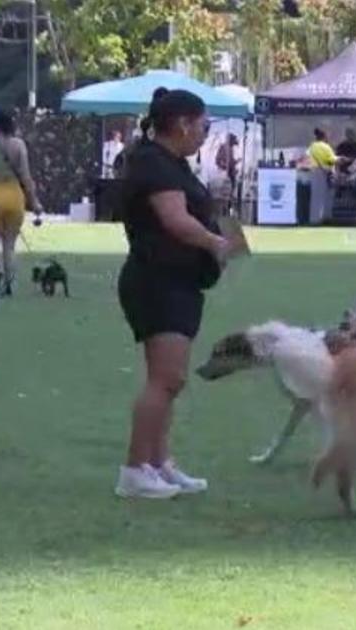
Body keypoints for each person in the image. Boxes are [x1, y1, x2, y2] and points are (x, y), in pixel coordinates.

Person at [115, 89, 243, 499]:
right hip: (158, 281)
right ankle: (135, 470)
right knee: (165, 379)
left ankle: (159, 464)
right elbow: (174, 220)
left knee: (171, 380)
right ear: (184, 123)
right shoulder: (155, 162)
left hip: (180, 282)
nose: (206, 134)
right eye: (205, 125)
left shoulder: (171, 163)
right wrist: (214, 243)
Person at [0, 110, 41, 297]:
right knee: (10, 244)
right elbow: (26, 177)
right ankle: (9, 283)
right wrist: (34, 202)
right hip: (14, 196)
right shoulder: (19, 145)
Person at [307, 128, 336, 224]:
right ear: (324, 137)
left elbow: (307, 157)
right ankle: (323, 218)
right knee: (324, 197)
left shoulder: (312, 146)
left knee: (315, 196)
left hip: (314, 171)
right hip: (323, 172)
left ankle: (314, 219)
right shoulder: (326, 147)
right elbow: (332, 160)